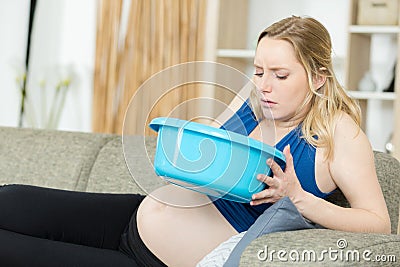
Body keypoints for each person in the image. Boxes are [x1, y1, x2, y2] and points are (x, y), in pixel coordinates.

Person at [0, 15, 390, 267]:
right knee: (12, 200)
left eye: (281, 75)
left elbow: (378, 225)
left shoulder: (339, 134)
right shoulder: (252, 102)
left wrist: (297, 196)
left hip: (154, 260)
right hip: (134, 216)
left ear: (319, 77)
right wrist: (182, 143)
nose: (264, 85)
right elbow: (202, 156)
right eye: (258, 70)